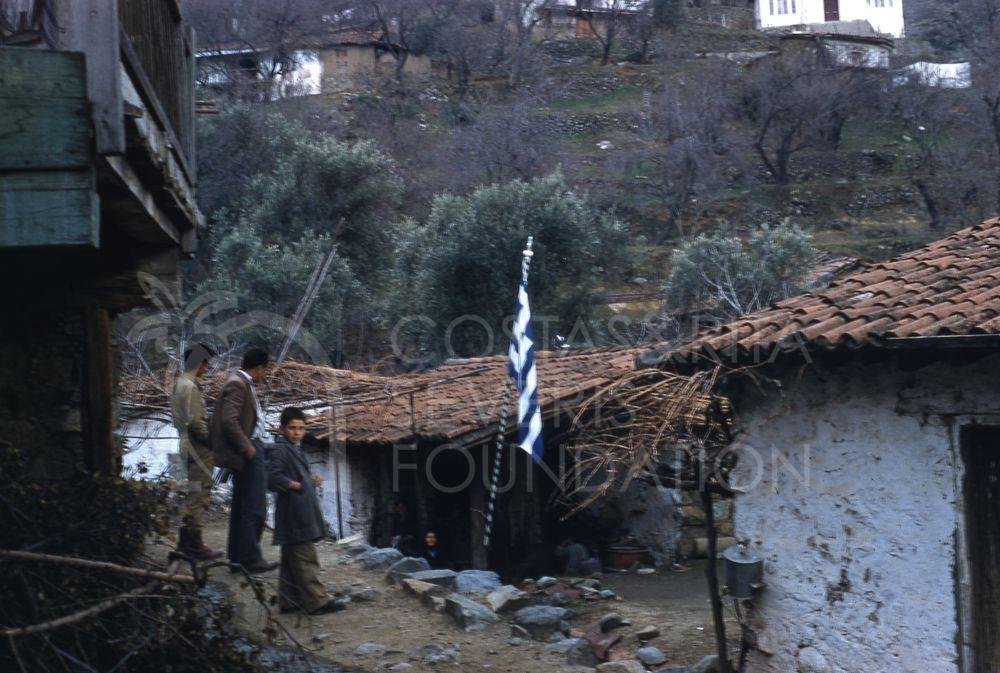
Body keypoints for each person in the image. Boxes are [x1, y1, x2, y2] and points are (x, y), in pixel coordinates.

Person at [266, 407, 345, 615]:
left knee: (291, 559)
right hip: (294, 512)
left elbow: (293, 473)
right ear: (282, 429)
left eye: (301, 428)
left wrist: (309, 480)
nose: (297, 432)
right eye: (292, 428)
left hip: (297, 510)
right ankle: (317, 601)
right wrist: (294, 485)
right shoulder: (281, 449)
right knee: (306, 557)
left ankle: (288, 600)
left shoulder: (293, 448)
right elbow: (272, 477)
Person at [210, 347, 278, 574]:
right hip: (249, 450)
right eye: (264, 370)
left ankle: (238, 559)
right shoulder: (237, 384)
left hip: (250, 448)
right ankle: (250, 559)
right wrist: (247, 447)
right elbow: (229, 421)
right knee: (254, 507)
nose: (264, 375)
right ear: (258, 368)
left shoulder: (241, 382)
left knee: (242, 506)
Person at [170, 343, 223, 560]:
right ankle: (195, 545)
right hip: (197, 447)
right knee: (199, 495)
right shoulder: (190, 386)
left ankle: (186, 542)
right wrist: (212, 442)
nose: (206, 369)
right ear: (199, 363)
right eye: (206, 364)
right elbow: (196, 423)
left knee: (193, 492)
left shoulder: (179, 383)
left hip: (185, 444)